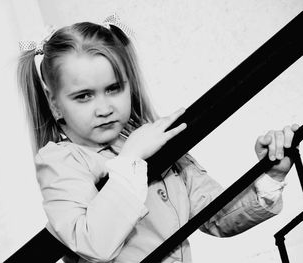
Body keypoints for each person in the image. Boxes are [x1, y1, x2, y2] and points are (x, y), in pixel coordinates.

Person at [17, 16, 299, 263]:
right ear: (55, 105)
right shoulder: (61, 162)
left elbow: (218, 217)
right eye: (84, 96)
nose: (104, 108)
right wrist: (130, 160)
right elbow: (94, 243)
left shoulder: (153, 138)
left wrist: (269, 176)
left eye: (113, 88)